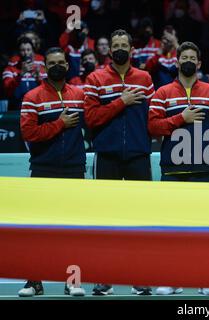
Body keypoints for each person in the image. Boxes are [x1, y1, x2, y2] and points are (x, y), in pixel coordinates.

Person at [148, 42, 209, 295]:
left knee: (204, 228)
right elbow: (153, 127)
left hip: (203, 169)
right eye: (184, 57)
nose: (189, 61)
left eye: (193, 57)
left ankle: (206, 279)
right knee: (172, 229)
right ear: (177, 62)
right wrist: (182, 118)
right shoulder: (163, 93)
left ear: (199, 63)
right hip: (173, 169)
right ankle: (172, 279)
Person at [84, 29, 154, 296]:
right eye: (116, 45)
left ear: (132, 49)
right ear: (109, 50)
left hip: (137, 155)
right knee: (106, 220)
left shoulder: (145, 78)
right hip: (107, 156)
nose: (121, 48)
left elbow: (152, 117)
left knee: (141, 220)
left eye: (125, 44)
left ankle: (141, 277)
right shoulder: (95, 78)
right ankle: (104, 278)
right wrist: (121, 101)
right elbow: (91, 119)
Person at [18, 47, 86, 297]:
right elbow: (29, 134)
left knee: (73, 229)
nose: (56, 66)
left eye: (61, 62)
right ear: (44, 67)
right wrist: (60, 124)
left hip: (74, 168)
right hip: (43, 169)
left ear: (68, 66)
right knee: (39, 229)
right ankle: (33, 281)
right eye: (51, 63)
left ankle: (73, 281)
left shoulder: (80, 95)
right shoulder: (32, 97)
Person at [3, 37, 46, 109]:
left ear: (33, 51)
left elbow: (49, 89)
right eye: (22, 50)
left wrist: (38, 78)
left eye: (28, 50)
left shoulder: (41, 66)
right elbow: (7, 89)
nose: (26, 53)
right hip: (17, 107)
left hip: (37, 106)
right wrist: (20, 75)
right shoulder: (11, 67)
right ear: (18, 52)